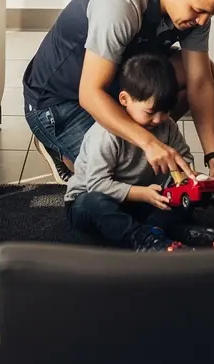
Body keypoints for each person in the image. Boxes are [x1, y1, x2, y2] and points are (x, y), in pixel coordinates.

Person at [24, 0, 214, 191]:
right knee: (123, 183)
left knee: (202, 70)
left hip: (116, 83)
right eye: (198, 10)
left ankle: (133, 140)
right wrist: (148, 143)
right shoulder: (119, 5)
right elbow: (90, 94)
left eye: (211, 14)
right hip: (58, 104)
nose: (203, 21)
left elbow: (200, 81)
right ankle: (61, 150)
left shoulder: (195, 16)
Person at [66, 53, 197, 251]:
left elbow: (183, 158)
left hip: (142, 199)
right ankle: (143, 238)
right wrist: (142, 194)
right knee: (93, 204)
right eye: (151, 112)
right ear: (125, 99)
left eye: (166, 112)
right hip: (95, 198)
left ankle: (157, 233)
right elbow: (96, 185)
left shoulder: (167, 126)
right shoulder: (106, 135)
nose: (159, 119)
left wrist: (188, 181)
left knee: (184, 202)